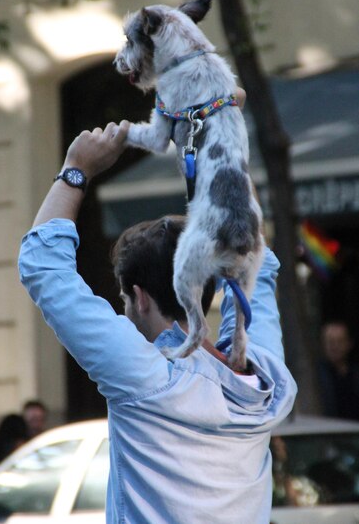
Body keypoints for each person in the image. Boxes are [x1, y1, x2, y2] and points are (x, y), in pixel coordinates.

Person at [18, 118, 297, 524]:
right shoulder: (266, 383)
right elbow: (258, 263)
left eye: (124, 301)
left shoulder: (144, 376)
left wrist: (77, 168)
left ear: (140, 298)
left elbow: (42, 264)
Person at [318, 321, 359, 420]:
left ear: (349, 343)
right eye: (331, 342)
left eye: (340, 341)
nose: (335, 347)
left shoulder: (355, 375)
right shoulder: (317, 377)